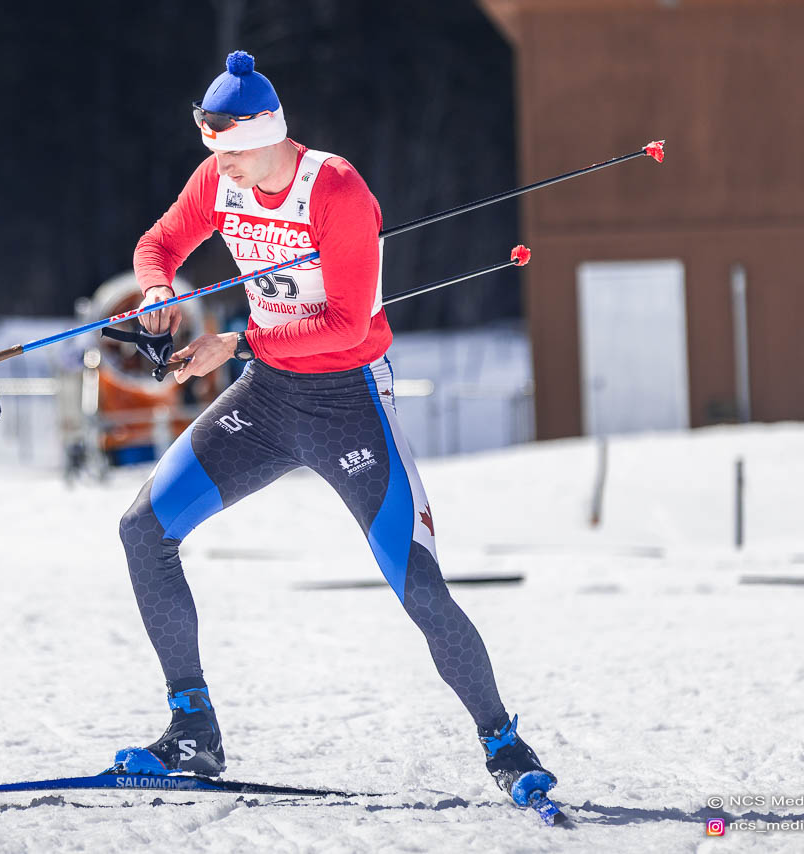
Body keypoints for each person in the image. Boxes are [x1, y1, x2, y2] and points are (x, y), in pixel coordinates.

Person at [114, 50, 556, 808]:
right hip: (267, 399)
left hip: (349, 400)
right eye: (212, 152)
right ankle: (193, 729)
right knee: (143, 529)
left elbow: (346, 325)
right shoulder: (219, 179)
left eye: (232, 152)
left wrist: (236, 341)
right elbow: (159, 244)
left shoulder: (336, 189)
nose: (222, 168)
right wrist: (158, 291)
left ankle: (505, 746)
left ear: (267, 134)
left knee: (418, 583)